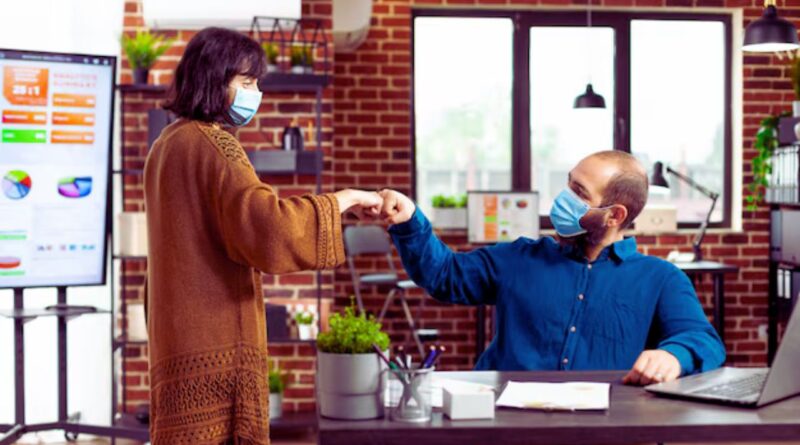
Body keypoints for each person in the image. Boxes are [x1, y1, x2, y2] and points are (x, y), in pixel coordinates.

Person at [143, 28, 381, 445]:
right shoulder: (217, 147)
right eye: (247, 82)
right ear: (215, 81)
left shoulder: (166, 144)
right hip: (217, 346)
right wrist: (342, 199)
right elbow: (268, 228)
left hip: (177, 343)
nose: (257, 94)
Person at [378, 150, 725, 386]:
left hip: (606, 430)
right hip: (506, 427)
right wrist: (408, 218)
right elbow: (445, 274)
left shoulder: (661, 279)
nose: (563, 198)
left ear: (615, 215)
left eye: (579, 192)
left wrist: (673, 356)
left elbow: (703, 340)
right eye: (568, 184)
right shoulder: (519, 258)